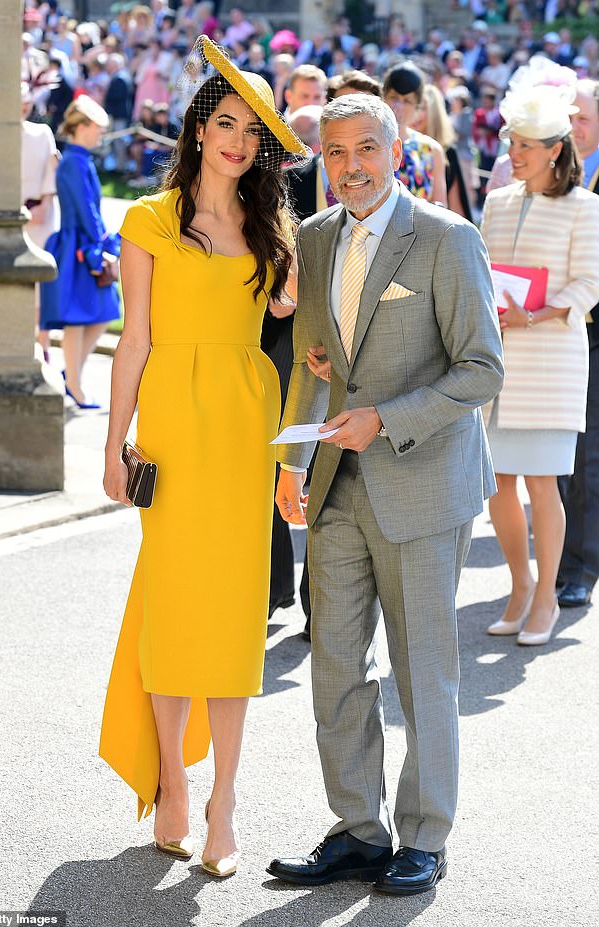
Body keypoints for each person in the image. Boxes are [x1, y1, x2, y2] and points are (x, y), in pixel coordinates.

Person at [267, 93, 503, 895]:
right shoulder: (317, 237)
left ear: (396, 151)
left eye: (366, 148)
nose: (352, 166)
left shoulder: (447, 237)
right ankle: (358, 831)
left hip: (425, 485)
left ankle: (426, 835)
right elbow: (313, 360)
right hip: (334, 485)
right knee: (334, 667)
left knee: (423, 670)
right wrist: (290, 464)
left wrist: (386, 418)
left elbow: (482, 369)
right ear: (321, 160)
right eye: (335, 152)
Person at [100, 36, 308, 879]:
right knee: (174, 606)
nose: (237, 141)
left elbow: (297, 323)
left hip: (245, 424)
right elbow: (133, 339)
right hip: (175, 427)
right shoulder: (150, 218)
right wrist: (116, 442)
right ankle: (175, 787)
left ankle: (225, 798)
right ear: (196, 128)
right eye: (225, 122)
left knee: (233, 616)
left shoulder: (271, 227)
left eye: (252, 132)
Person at [481, 77, 599, 644]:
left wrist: (540, 314)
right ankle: (520, 584)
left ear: (555, 148)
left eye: (525, 144)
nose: (514, 154)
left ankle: (546, 595)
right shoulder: (497, 201)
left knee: (542, 483)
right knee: (496, 483)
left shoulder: (585, 206)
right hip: (498, 361)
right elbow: (482, 272)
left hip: (551, 362)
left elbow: (589, 283)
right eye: (510, 143)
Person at [40, 96, 120, 409]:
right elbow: (87, 210)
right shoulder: (75, 161)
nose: (101, 134)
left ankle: (71, 374)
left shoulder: (78, 159)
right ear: (82, 127)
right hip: (79, 246)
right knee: (78, 318)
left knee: (101, 313)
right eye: (97, 128)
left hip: (82, 242)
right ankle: (73, 382)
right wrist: (104, 243)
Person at [558, 78, 599, 607]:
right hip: (556, 330)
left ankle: (581, 568)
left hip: (592, 329)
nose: (573, 128)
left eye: (582, 117)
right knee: (564, 456)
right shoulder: (553, 177)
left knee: (586, 455)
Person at [21, 81, 59, 361]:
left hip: (40, 215)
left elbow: (50, 168)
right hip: (8, 214)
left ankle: (41, 343)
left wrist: (44, 204)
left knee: (40, 281)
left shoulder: (42, 132)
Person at [382, 62, 447, 205]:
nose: (398, 106)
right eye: (394, 97)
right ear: (384, 97)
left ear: (417, 105)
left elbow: (440, 208)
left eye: (407, 101)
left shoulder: (431, 150)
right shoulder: (369, 143)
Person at [415, 83, 473, 221]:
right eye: (414, 106)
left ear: (434, 113)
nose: (415, 113)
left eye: (422, 108)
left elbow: (457, 211)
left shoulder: (447, 153)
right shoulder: (398, 150)